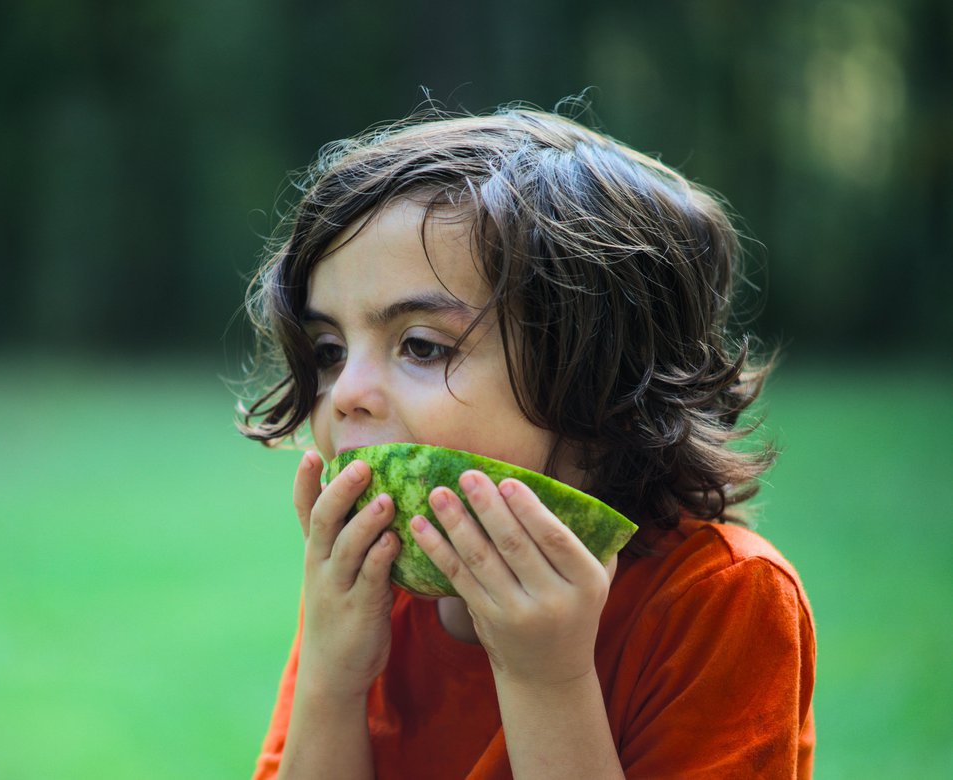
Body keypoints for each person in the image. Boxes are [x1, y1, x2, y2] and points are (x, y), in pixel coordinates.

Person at [237, 105, 815, 779]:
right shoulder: (369, 584)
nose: (344, 393)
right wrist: (332, 680)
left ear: (604, 390)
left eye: (421, 345)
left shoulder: (721, 600)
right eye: (330, 349)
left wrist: (548, 679)